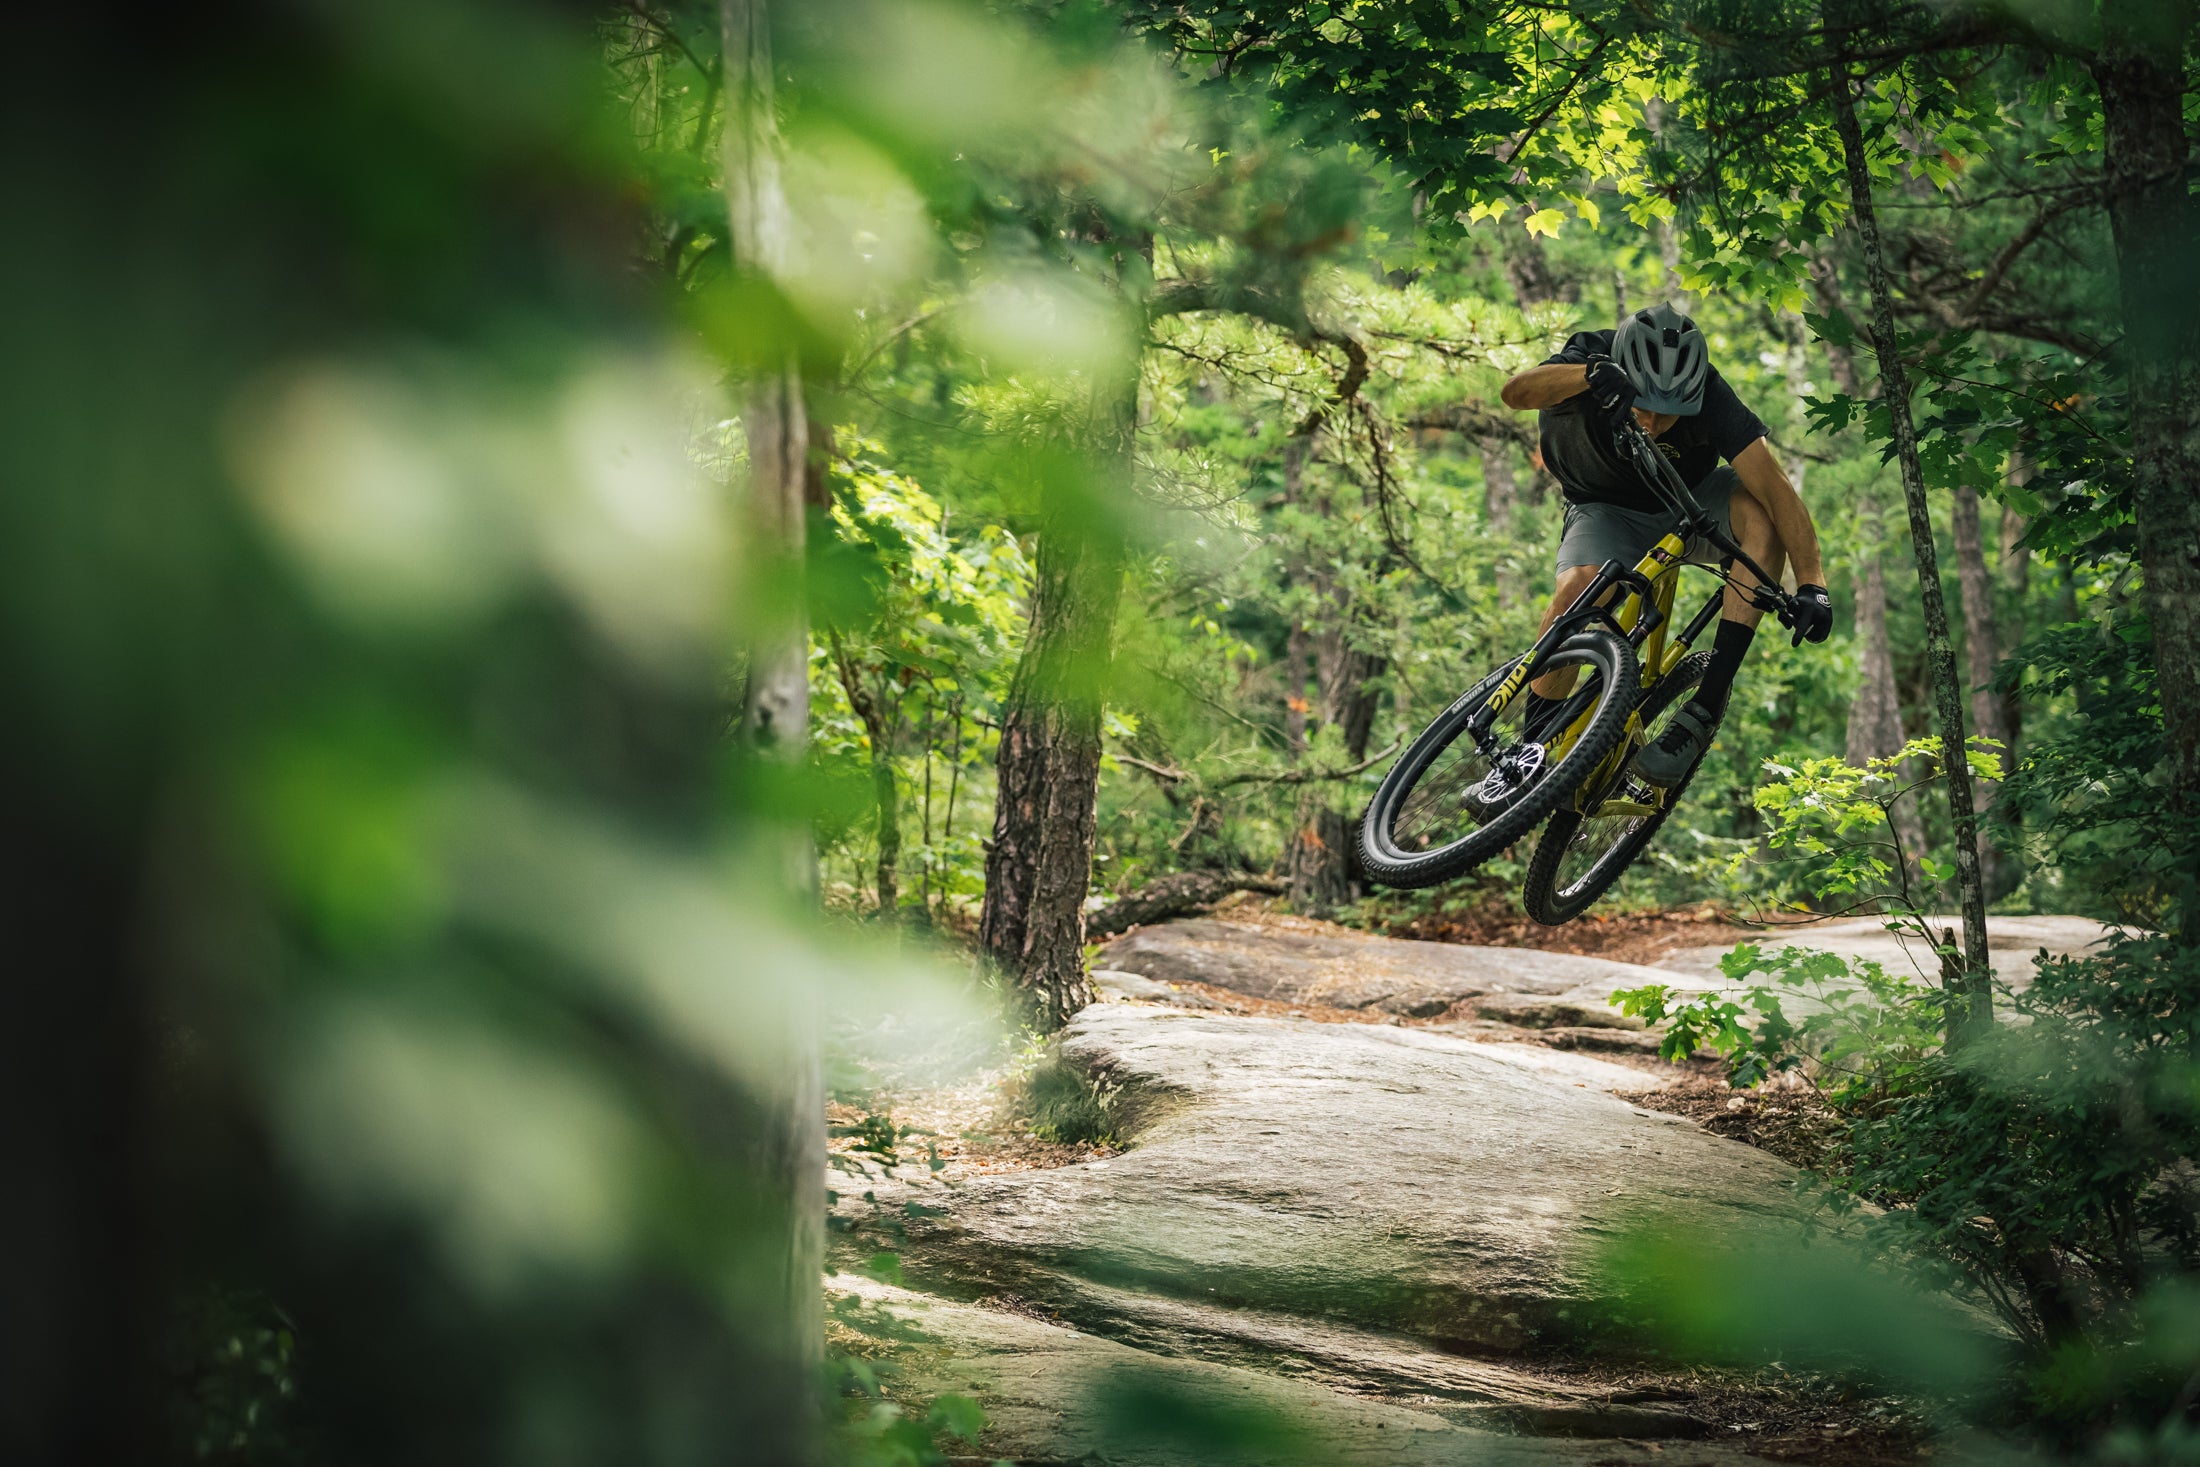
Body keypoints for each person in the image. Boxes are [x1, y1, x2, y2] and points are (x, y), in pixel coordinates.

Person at [1497, 302, 1833, 784]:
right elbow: (1515, 393)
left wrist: (1812, 583)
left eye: (1668, 414)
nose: (1651, 422)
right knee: (1579, 594)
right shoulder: (1592, 354)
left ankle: (1704, 707)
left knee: (1761, 515)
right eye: (1642, 406)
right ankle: (1530, 752)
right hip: (1603, 507)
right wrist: (1589, 377)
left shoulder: (1710, 394)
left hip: (1689, 503)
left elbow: (1778, 489)